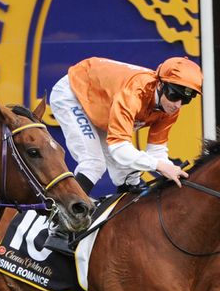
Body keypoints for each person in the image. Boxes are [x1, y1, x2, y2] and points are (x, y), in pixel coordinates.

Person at [49, 56, 202, 195]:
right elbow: (119, 149)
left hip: (103, 106)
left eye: (185, 100)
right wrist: (160, 166)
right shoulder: (135, 92)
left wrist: (169, 169)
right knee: (93, 163)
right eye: (174, 95)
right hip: (73, 94)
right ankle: (60, 218)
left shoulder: (171, 109)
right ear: (160, 85)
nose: (177, 105)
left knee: (129, 175)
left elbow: (156, 151)